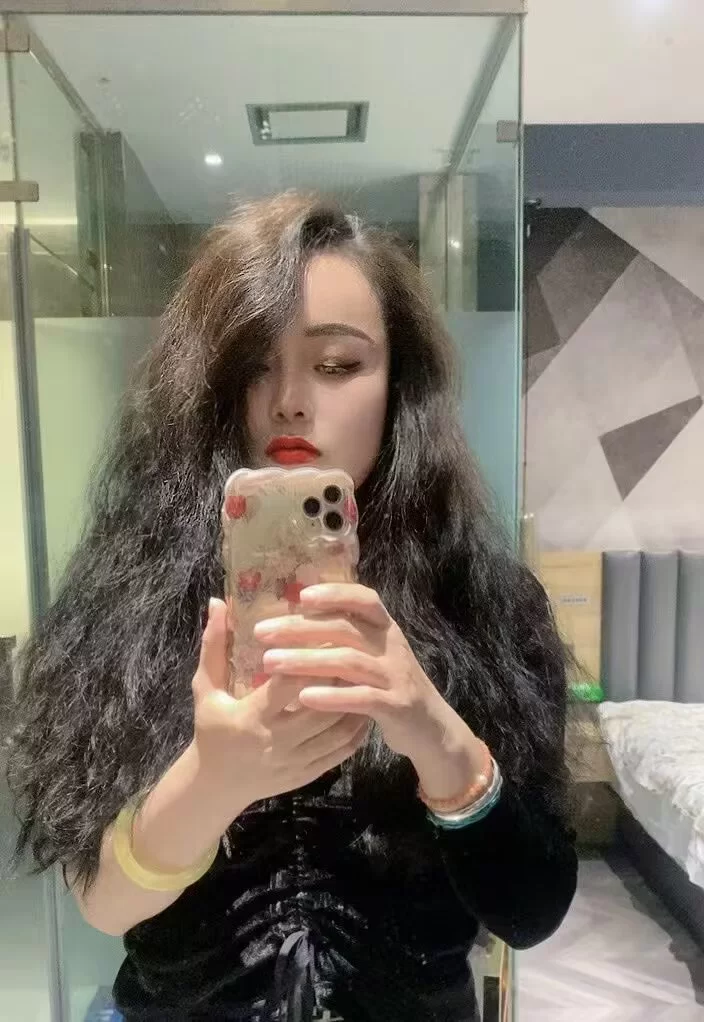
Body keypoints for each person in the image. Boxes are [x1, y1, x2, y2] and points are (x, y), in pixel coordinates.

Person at [8, 192, 577, 1022]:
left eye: (338, 365)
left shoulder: (483, 601)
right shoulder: (128, 599)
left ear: (399, 383)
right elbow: (100, 902)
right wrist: (214, 781)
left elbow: (531, 912)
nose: (291, 401)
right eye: (253, 364)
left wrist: (432, 730)